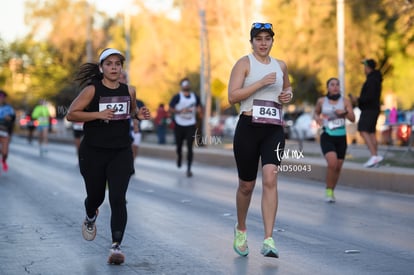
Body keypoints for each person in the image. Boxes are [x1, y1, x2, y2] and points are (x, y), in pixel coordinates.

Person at [66, 48, 150, 265]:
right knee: (96, 197)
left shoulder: (129, 90)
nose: (114, 68)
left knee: (118, 198)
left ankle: (116, 246)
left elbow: (129, 113)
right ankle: (90, 215)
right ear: (102, 67)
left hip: (121, 152)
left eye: (117, 64)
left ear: (121, 67)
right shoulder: (92, 90)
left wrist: (138, 115)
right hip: (93, 152)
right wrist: (98, 114)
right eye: (109, 64)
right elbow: (71, 114)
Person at [228, 22, 293, 258]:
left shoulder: (281, 65)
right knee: (247, 185)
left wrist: (287, 95)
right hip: (248, 127)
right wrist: (260, 83)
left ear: (272, 41)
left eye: (267, 38)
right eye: (259, 39)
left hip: (273, 129)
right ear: (252, 42)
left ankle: (268, 239)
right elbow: (232, 96)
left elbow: (286, 89)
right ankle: (241, 229)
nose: (263, 43)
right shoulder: (244, 64)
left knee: (270, 178)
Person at [314, 78, 355, 202]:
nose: (335, 87)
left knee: (337, 167)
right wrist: (317, 119)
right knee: (332, 163)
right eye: (332, 85)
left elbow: (353, 118)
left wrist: (345, 112)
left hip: (341, 137)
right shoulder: (321, 101)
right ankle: (328, 191)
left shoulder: (345, 101)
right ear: (328, 87)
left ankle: (332, 190)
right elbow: (316, 113)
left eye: (337, 84)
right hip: (327, 135)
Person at [350, 59, 383, 168]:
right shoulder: (376, 79)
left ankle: (374, 155)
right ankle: (375, 158)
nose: (364, 69)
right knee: (371, 132)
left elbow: (369, 97)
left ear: (368, 67)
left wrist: (358, 100)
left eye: (365, 67)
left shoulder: (371, 81)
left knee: (363, 130)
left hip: (369, 109)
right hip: (373, 109)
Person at [169, 78, 203, 177]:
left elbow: (199, 108)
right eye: (184, 85)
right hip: (179, 124)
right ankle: (179, 156)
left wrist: (199, 112)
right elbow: (170, 109)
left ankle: (189, 169)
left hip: (190, 124)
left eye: (188, 84)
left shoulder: (194, 97)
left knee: (190, 147)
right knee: (179, 146)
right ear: (182, 86)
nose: (186, 86)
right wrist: (179, 111)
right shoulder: (177, 97)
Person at [119, 71, 145, 160]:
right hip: (120, 130)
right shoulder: (115, 98)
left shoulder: (139, 102)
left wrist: (137, 121)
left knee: (134, 148)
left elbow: (141, 114)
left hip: (134, 130)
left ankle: (131, 164)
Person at [0, 90, 15, 172]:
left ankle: (4, 159)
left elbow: (13, 118)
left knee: (5, 152)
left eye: (2, 97)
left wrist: (9, 118)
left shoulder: (8, 108)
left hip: (5, 130)